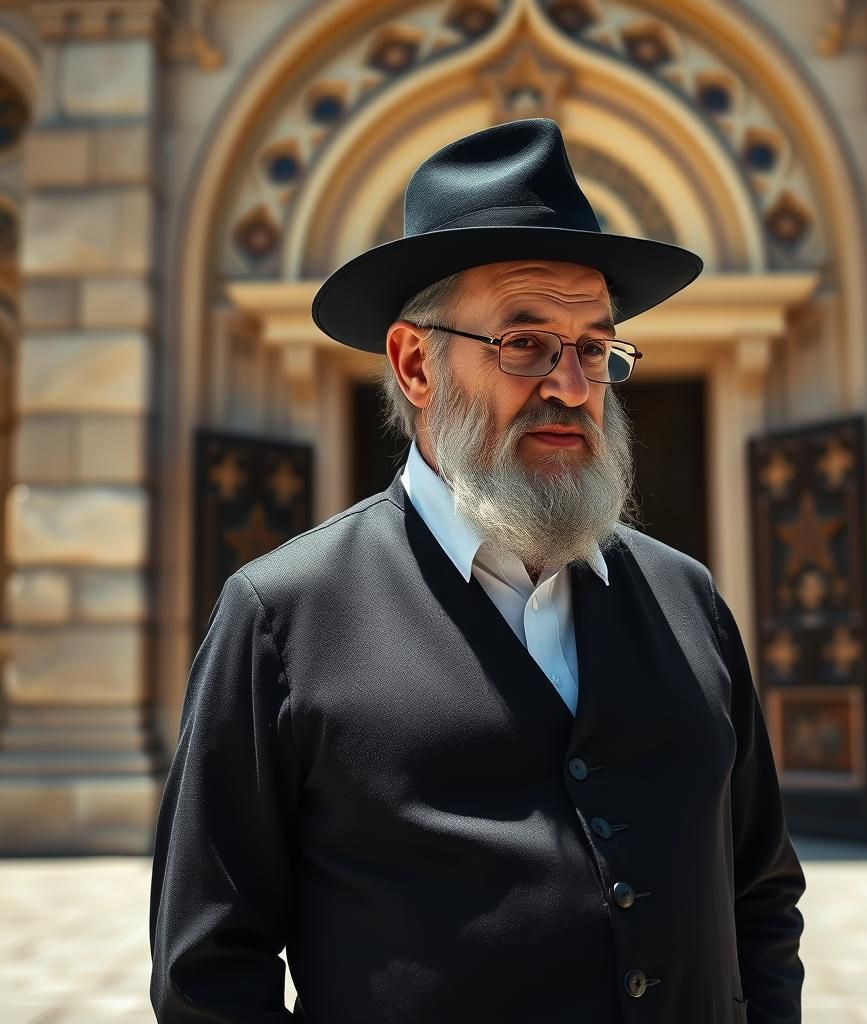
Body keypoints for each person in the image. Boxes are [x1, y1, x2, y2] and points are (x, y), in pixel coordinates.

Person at [149, 117, 805, 1023]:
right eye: (525, 343)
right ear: (416, 364)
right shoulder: (278, 617)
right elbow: (210, 973)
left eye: (593, 349)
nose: (570, 387)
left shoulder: (685, 596)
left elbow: (761, 897)